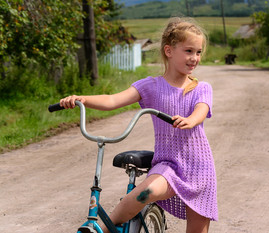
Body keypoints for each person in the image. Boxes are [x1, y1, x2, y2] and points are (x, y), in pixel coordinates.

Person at [60, 17, 218, 233]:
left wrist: (190, 120)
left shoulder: (201, 88)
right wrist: (82, 99)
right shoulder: (151, 86)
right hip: (168, 164)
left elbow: (201, 110)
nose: (194, 58)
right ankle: (101, 229)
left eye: (198, 52)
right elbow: (113, 100)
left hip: (199, 168)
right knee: (147, 192)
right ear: (169, 51)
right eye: (189, 51)